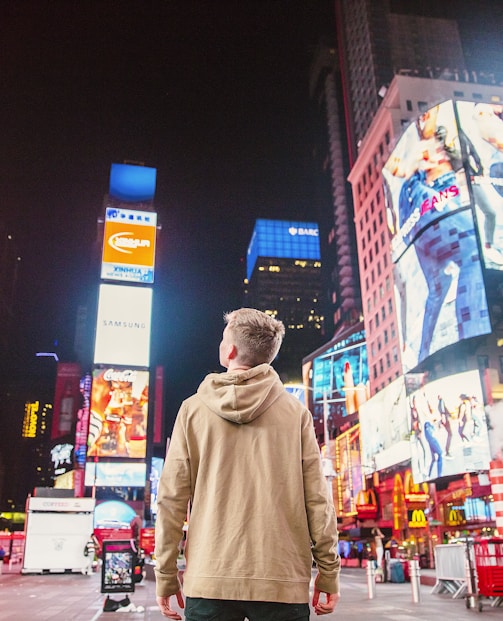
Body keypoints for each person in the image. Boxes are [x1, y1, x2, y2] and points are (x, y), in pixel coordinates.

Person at [154, 308, 340, 620]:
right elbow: (319, 501)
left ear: (230, 350)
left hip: (209, 580)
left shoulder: (192, 411)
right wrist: (328, 570)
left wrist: (166, 574)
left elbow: (171, 500)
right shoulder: (296, 414)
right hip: (281, 583)